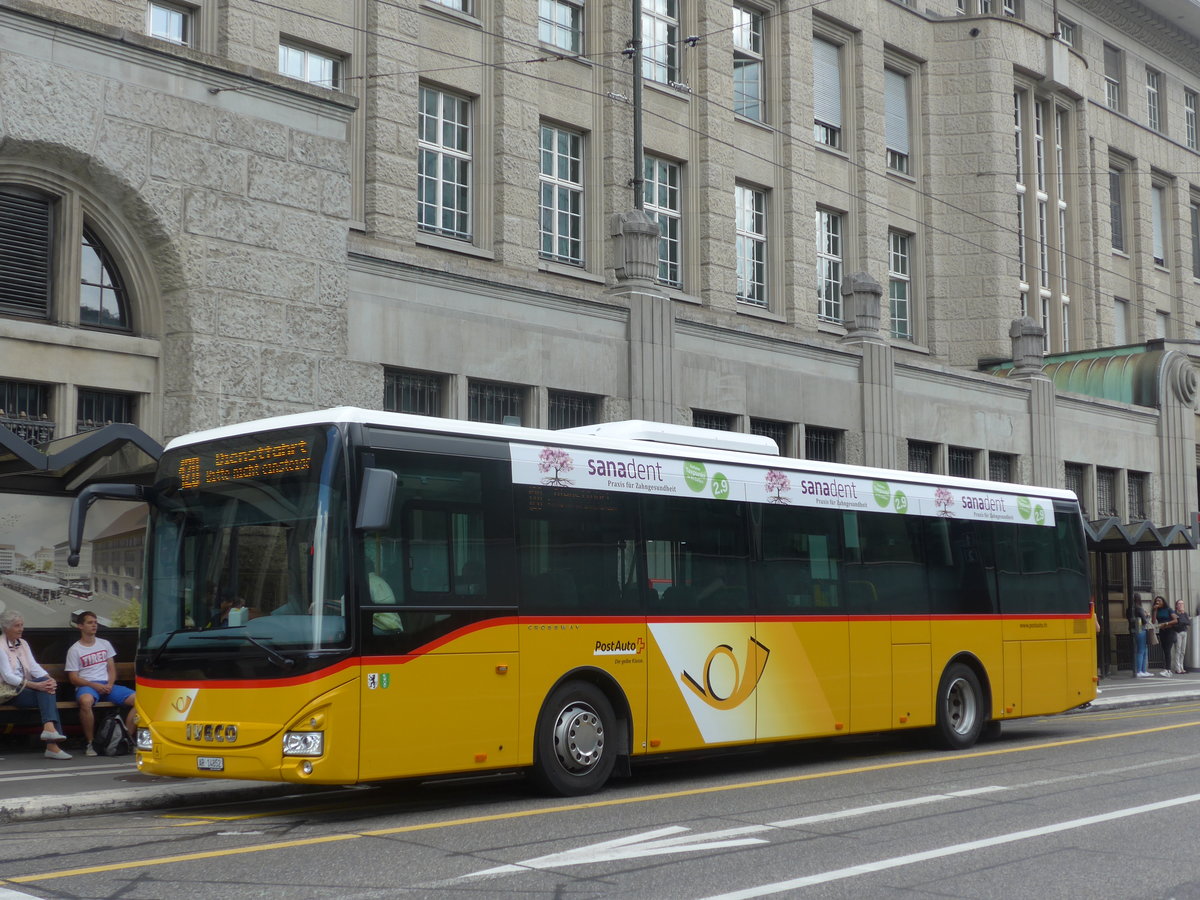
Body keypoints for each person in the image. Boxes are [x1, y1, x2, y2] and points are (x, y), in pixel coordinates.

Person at [0, 610, 71, 759]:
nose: (21, 629)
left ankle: (49, 729)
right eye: (17, 626)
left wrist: (48, 679)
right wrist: (36, 685)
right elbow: (8, 677)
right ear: (6, 628)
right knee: (46, 692)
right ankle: (52, 744)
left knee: (47, 689)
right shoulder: (0, 646)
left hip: (23, 688)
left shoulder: (23, 644)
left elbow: (33, 666)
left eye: (22, 625)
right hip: (7, 692)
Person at [65, 610, 135, 757]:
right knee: (85, 701)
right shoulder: (75, 650)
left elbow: (111, 668)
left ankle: (126, 738)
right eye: (90, 623)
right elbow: (73, 678)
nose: (94, 625)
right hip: (87, 686)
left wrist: (110, 684)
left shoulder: (105, 644)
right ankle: (91, 743)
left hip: (107, 685)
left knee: (140, 700)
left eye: (95, 622)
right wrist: (95, 686)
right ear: (80, 626)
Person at [1151, 595, 1177, 678]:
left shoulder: (1169, 609)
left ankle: (1168, 670)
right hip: (1162, 631)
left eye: (1159, 600)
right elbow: (1153, 621)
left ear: (1163, 601)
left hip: (1170, 631)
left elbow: (1175, 620)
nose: (1157, 602)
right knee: (1164, 650)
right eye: (1156, 601)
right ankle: (1166, 669)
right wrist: (1154, 610)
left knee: (1167, 650)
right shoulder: (1156, 610)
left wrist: (1166, 623)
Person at [1129, 598, 1151, 678]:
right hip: (1141, 630)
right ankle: (1140, 670)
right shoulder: (1139, 608)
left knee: (1141, 650)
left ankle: (1142, 670)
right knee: (1142, 651)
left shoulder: (1129, 609)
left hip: (1134, 630)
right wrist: (1147, 616)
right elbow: (1145, 621)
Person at [1172, 599, 1190, 675]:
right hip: (1178, 633)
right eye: (1179, 604)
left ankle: (1181, 667)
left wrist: (1181, 621)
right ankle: (1177, 668)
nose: (1181, 605)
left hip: (1184, 632)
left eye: (1182, 603)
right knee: (1178, 650)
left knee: (1183, 651)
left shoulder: (1185, 613)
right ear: (1176, 605)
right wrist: (1182, 622)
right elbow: (1176, 624)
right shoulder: (1174, 613)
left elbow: (1188, 622)